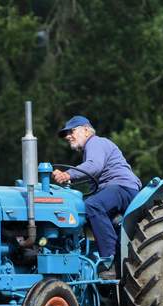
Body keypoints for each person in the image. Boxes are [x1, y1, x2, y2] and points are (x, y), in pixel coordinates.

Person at [53, 115, 142, 279]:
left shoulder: (95, 142)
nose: (67, 136)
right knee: (84, 212)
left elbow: (93, 166)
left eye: (72, 131)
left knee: (93, 205)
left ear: (86, 130)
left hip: (123, 187)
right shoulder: (91, 149)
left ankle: (109, 259)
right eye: (66, 134)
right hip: (114, 191)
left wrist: (67, 175)